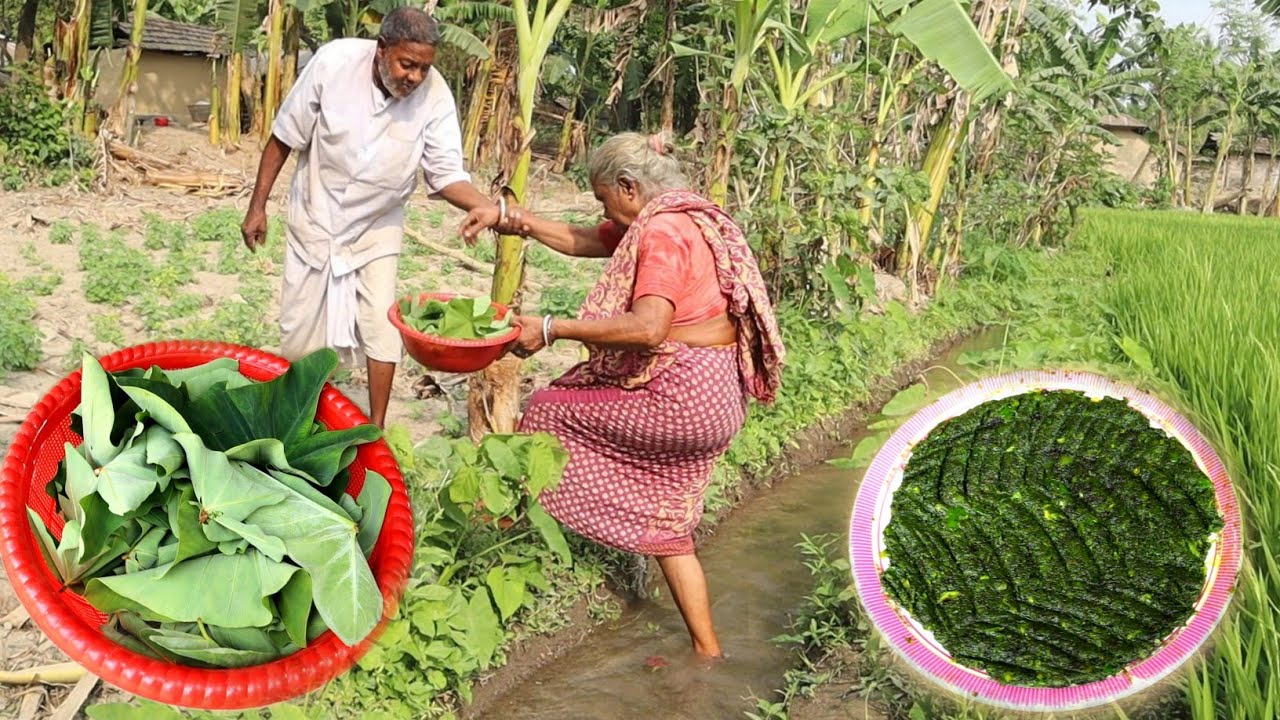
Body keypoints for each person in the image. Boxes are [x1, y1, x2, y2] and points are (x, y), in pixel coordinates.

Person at [462, 132, 786, 658]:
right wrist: (510, 218)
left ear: (629, 187)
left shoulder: (662, 231)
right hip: (718, 398)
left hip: (681, 395)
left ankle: (504, 533)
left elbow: (650, 327)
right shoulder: (688, 215)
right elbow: (586, 239)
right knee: (672, 529)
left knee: (547, 412)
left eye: (604, 198)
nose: (603, 211)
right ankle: (709, 653)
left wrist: (550, 329)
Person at [241, 6, 513, 428]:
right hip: (316, 214)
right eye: (407, 64)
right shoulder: (333, 64)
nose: (415, 77)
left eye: (424, 68)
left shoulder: (435, 94)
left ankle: (377, 428)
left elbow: (444, 175)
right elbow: (283, 136)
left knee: (382, 326)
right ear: (381, 49)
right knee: (299, 335)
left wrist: (482, 204)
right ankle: (299, 419)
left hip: (377, 226)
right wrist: (257, 206)